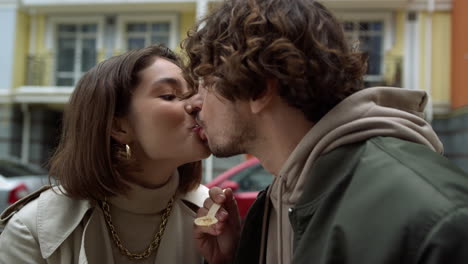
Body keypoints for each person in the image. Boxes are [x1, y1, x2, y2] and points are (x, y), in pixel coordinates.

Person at [182, 0, 468, 263]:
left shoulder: (432, 217)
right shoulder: (273, 205)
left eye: (207, 82)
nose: (195, 102)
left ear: (259, 89)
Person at [0, 45, 210, 263]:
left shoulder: (212, 218)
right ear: (118, 127)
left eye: (195, 94)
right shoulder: (33, 229)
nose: (197, 105)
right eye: (169, 95)